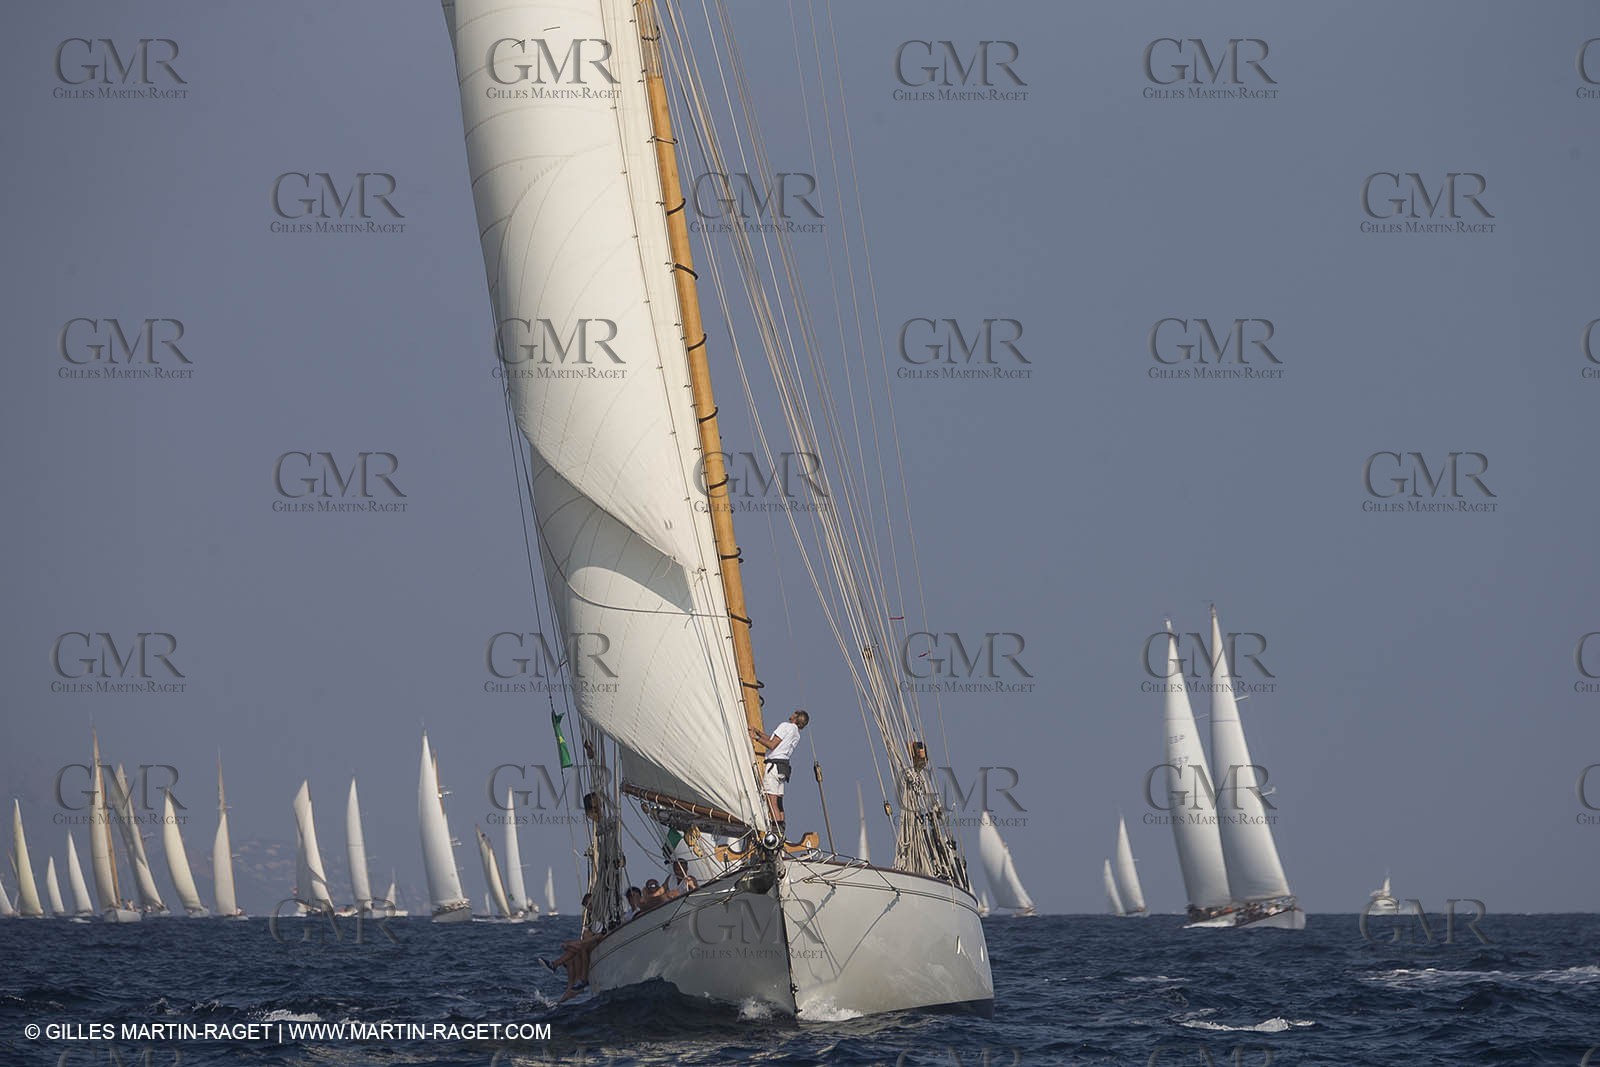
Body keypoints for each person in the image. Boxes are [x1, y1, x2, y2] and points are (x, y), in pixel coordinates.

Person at [749, 709, 809, 836]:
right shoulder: (796, 734)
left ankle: (775, 831)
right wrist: (759, 732)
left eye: (794, 713)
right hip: (783, 768)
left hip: (774, 766)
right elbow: (773, 739)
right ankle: (781, 828)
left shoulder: (785, 726)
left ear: (796, 717)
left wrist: (756, 738)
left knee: (771, 800)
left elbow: (771, 745)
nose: (791, 714)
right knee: (779, 801)